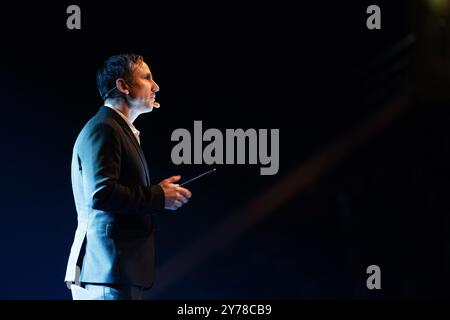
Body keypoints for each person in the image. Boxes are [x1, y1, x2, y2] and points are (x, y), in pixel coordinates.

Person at [64, 53, 192, 300]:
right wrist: (157, 196)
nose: (156, 86)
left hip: (116, 273)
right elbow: (102, 194)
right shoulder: (104, 128)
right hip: (107, 271)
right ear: (123, 86)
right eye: (146, 77)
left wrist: (158, 194)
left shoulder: (115, 129)